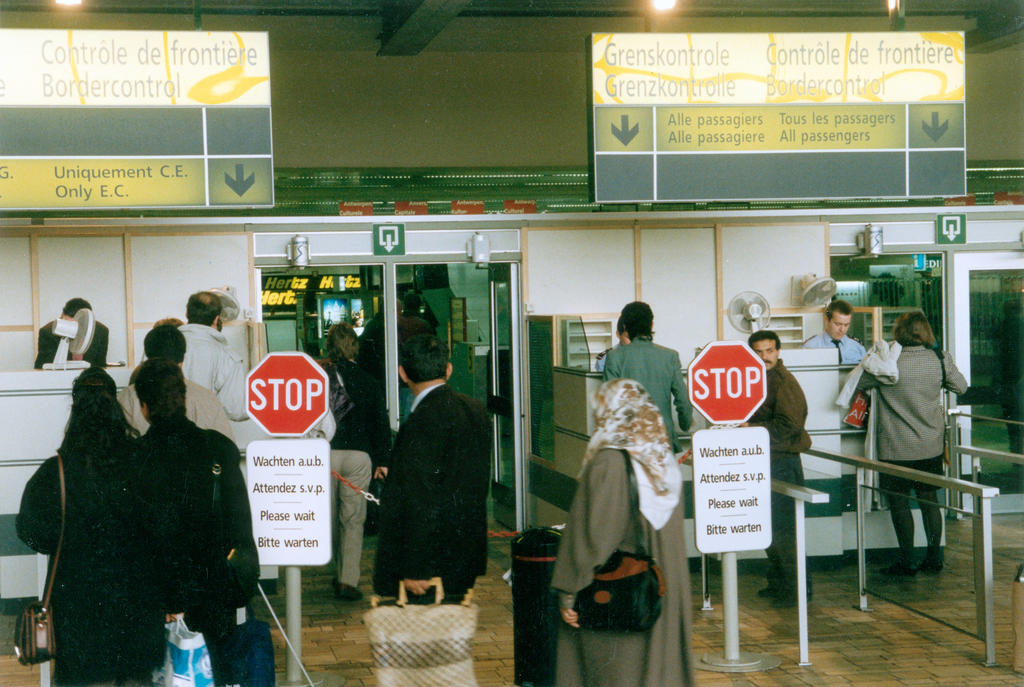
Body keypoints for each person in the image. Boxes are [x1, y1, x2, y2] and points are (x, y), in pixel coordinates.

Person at [17, 367, 166, 685]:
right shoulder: (144, 460)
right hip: (138, 612)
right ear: (116, 406)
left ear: (75, 410)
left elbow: (28, 529)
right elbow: (165, 526)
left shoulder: (55, 471)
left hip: (79, 617)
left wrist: (65, 540)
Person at [551, 378, 695, 687]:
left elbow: (594, 538)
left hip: (617, 598)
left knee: (615, 674)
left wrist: (568, 592)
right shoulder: (660, 459)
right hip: (659, 591)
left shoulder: (610, 462)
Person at [133, 358, 258, 684]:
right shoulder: (220, 450)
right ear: (183, 398)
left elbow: (138, 540)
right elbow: (240, 530)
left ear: (145, 407)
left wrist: (165, 601)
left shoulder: (135, 459)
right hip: (214, 598)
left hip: (158, 605)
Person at [373, 334, 491, 600]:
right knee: (454, 635)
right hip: (465, 552)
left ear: (403, 374)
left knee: (423, 637)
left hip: (428, 565)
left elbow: (421, 497)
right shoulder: (475, 409)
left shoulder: (421, 420)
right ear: (448, 369)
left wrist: (415, 565)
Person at [857, 311, 967, 576]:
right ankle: (934, 558)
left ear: (900, 331)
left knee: (900, 504)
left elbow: (861, 383)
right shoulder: (939, 359)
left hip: (895, 447)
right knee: (930, 501)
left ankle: (906, 562)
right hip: (930, 445)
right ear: (926, 332)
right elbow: (961, 387)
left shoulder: (887, 362)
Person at [322, 322, 392, 601]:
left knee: (329, 517)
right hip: (359, 458)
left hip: (324, 456)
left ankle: (337, 569)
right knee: (352, 520)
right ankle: (347, 581)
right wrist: (383, 460)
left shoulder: (320, 380)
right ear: (355, 347)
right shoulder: (368, 380)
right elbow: (380, 423)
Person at [746, 330, 813, 607]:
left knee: (785, 530)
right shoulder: (757, 378)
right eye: (759, 352)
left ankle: (797, 590)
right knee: (771, 528)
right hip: (766, 460)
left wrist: (750, 429)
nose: (764, 357)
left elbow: (789, 426)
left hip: (782, 463)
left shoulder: (784, 381)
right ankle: (780, 582)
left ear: (778, 351)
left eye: (769, 351)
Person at [603, 301, 693, 452]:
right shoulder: (669, 356)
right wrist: (686, 423)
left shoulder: (615, 357)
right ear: (651, 325)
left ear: (624, 326)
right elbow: (683, 399)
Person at [118, 324, 234, 440]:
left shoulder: (126, 397)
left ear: (147, 357)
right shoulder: (207, 398)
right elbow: (229, 449)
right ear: (183, 358)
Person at [179, 290, 248, 421]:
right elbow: (235, 410)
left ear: (187, 313)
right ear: (217, 319)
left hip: (160, 436)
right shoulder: (228, 356)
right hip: (203, 436)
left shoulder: (163, 342)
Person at [34, 297, 110, 369]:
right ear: (62, 316)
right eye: (68, 323)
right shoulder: (47, 332)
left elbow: (101, 366)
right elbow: (41, 366)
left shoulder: (101, 332)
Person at [803, 298, 866, 365]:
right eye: (838, 324)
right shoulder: (810, 346)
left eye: (846, 325)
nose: (842, 329)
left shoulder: (857, 346)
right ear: (827, 320)